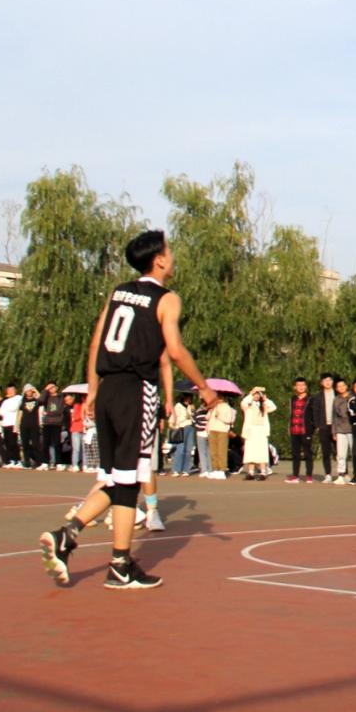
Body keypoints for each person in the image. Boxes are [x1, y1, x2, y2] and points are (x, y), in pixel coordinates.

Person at [38, 229, 219, 590]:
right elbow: (175, 350)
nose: (173, 256)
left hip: (108, 388)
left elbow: (96, 341)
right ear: (159, 260)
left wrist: (93, 389)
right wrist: (203, 386)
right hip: (137, 391)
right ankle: (118, 564)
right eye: (169, 251)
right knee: (130, 477)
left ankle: (72, 536)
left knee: (117, 478)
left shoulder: (119, 291)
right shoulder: (167, 299)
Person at [306, 373, 337, 482]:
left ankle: (343, 474)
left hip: (337, 426)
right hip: (324, 426)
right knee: (326, 451)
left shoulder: (337, 394)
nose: (328, 382)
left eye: (329, 380)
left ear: (333, 382)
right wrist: (318, 426)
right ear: (322, 383)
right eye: (325, 380)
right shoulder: (317, 396)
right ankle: (328, 474)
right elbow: (315, 412)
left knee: (340, 452)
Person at [240, 388, 276, 480]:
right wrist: (251, 394)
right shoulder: (247, 405)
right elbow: (243, 402)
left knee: (261, 451)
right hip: (251, 430)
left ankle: (263, 472)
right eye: (255, 394)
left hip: (261, 430)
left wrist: (265, 399)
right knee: (250, 451)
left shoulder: (264, 406)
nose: (256, 396)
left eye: (258, 394)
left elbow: (273, 407)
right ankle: (250, 472)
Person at [286, 377, 314, 482]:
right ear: (295, 387)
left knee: (308, 453)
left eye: (303, 385)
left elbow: (313, 415)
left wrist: (312, 428)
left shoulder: (310, 399)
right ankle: (295, 475)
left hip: (305, 430)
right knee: (295, 453)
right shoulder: (293, 399)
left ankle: (309, 475)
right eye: (298, 385)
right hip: (294, 429)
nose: (301, 387)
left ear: (306, 386)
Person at [205, 390, 237, 480]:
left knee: (221, 451)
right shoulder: (214, 407)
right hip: (212, 429)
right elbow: (207, 417)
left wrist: (219, 416)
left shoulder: (226, 407)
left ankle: (222, 470)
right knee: (213, 451)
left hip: (222, 430)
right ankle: (215, 469)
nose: (218, 399)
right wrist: (211, 411)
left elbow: (229, 420)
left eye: (219, 397)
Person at [330, 378, 354, 483]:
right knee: (341, 454)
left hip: (352, 429)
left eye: (343, 385)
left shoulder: (352, 397)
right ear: (336, 388)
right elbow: (334, 416)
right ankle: (341, 475)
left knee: (354, 453)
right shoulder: (336, 400)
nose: (341, 388)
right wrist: (334, 431)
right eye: (338, 386)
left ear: (346, 386)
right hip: (340, 429)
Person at [40, 384, 66, 468]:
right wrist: (45, 389)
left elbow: (59, 410)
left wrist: (48, 413)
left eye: (53, 387)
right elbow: (40, 400)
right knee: (45, 443)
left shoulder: (60, 397)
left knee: (57, 443)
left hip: (56, 423)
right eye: (50, 388)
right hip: (47, 423)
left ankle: (58, 463)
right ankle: (45, 462)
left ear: (56, 387)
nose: (51, 389)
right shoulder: (47, 397)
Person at [167, 393, 194, 476]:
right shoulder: (178, 406)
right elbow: (173, 419)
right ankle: (176, 469)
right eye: (189, 397)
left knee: (188, 450)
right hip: (181, 428)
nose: (190, 399)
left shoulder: (190, 407)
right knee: (180, 450)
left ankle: (185, 469)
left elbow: (192, 418)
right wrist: (185, 416)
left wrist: (192, 412)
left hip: (190, 427)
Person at [0, 384, 23, 467]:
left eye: (12, 390)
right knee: (7, 443)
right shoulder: (5, 401)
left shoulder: (19, 398)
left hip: (14, 423)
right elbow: (1, 412)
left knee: (13, 443)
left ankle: (17, 460)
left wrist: (8, 410)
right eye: (8, 390)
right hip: (6, 424)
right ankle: (11, 460)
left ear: (15, 390)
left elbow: (14, 408)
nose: (10, 392)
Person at [67, 393, 86, 472]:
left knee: (83, 449)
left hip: (83, 429)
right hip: (77, 429)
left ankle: (83, 465)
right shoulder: (78, 405)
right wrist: (82, 413)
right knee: (78, 448)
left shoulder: (86, 405)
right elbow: (75, 417)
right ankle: (76, 464)